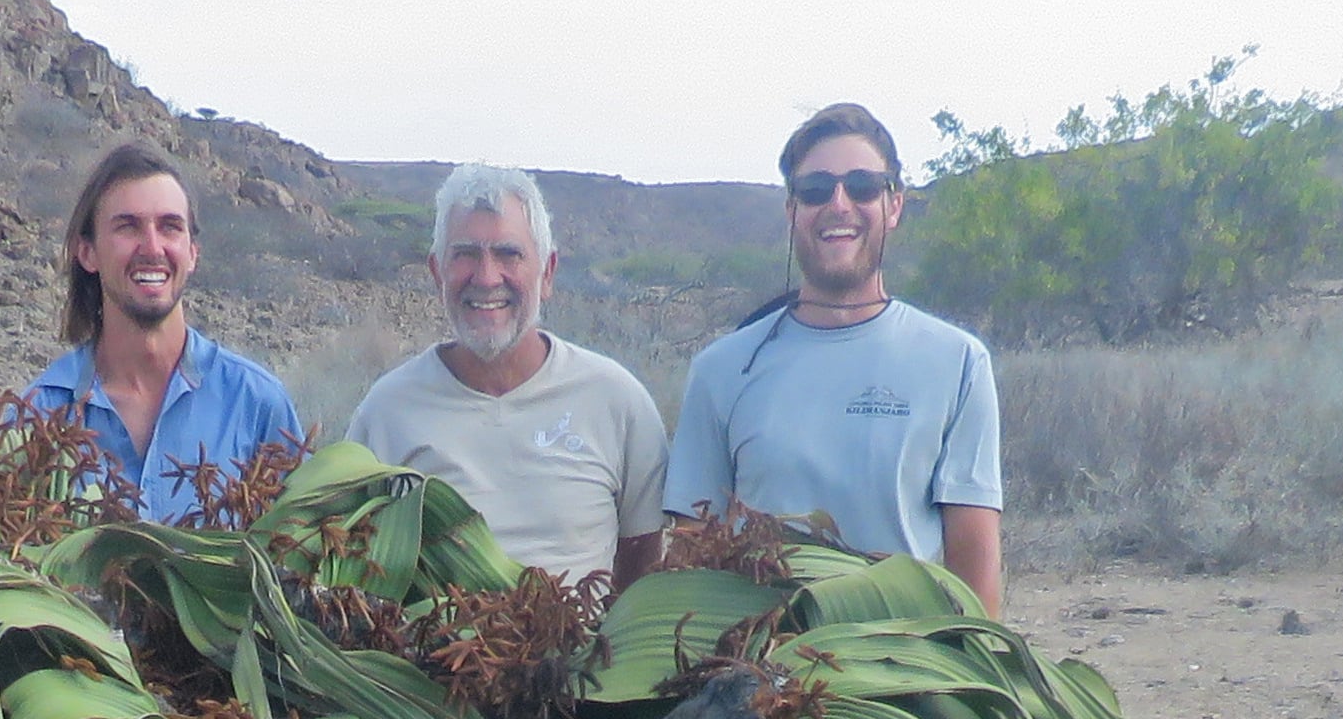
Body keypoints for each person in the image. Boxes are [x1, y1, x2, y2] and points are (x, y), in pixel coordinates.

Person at [660, 100, 1003, 613]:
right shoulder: (723, 369)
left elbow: (975, 574)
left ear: (894, 206)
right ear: (792, 210)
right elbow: (689, 555)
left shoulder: (957, 363)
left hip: (905, 670)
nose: (839, 204)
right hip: (763, 673)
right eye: (816, 190)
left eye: (862, 187)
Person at [341, 164, 667, 586]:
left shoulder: (615, 400)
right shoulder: (387, 411)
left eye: (509, 254)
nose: (487, 277)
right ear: (437, 272)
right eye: (465, 255)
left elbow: (643, 568)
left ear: (546, 273)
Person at [25, 142, 305, 520]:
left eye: (170, 227)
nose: (152, 247)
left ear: (192, 253)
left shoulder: (256, 406)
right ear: (87, 252)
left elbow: (301, 557)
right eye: (128, 227)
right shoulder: (38, 417)